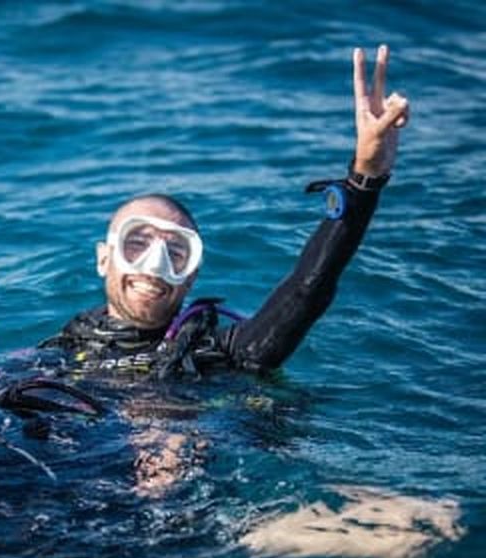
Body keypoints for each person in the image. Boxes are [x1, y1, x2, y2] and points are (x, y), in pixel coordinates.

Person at [41, 45, 410, 377]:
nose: (155, 265)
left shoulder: (225, 353)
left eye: (176, 252)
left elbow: (308, 288)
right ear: (104, 259)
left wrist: (364, 179)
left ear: (191, 277)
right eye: (137, 242)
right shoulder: (62, 354)